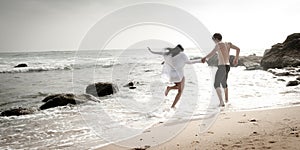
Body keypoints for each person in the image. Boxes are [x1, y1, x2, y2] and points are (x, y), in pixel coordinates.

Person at [201, 33, 240, 107]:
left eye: (213, 39)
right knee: (224, 83)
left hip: (222, 66)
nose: (213, 41)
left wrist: (204, 58)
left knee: (216, 84)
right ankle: (226, 100)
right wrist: (236, 59)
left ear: (216, 39)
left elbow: (212, 53)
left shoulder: (218, 44)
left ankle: (222, 102)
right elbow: (238, 49)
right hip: (228, 66)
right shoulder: (228, 44)